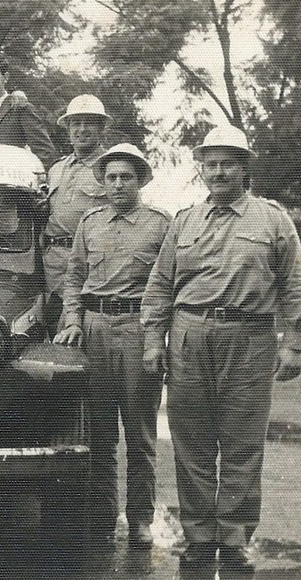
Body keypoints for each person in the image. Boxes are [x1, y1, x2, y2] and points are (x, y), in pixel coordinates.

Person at [141, 125, 301, 573]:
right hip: (189, 337)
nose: (218, 171)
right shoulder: (185, 221)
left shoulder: (273, 220)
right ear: (202, 169)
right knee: (191, 440)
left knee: (241, 442)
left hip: (249, 340)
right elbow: (159, 286)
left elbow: (294, 286)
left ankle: (233, 537)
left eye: (227, 162)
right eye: (210, 163)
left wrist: (295, 345)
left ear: (244, 167)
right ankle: (198, 536)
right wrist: (154, 340)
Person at [53, 144, 168, 548]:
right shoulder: (90, 222)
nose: (118, 184)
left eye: (126, 177)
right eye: (111, 177)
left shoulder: (160, 224)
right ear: (102, 183)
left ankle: (140, 520)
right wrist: (73, 321)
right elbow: (73, 278)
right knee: (99, 435)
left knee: (139, 434)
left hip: (138, 328)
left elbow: (168, 285)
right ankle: (103, 518)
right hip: (95, 328)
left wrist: (157, 338)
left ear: (141, 181)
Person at [42, 94, 111, 334]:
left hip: (89, 263)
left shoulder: (111, 169)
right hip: (52, 263)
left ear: (102, 129)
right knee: (52, 330)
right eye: (75, 123)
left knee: (84, 329)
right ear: (68, 128)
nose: (81, 129)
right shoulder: (56, 168)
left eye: (89, 123)